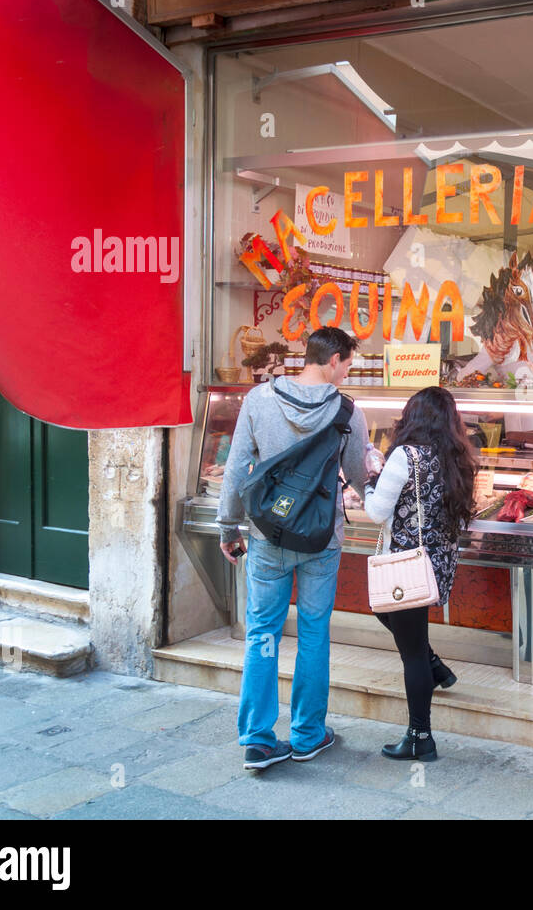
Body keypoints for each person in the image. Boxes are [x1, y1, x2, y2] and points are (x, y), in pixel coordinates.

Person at [217, 326, 378, 771]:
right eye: (348, 364)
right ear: (333, 360)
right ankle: (308, 734)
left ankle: (257, 739)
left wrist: (229, 527)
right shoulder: (347, 411)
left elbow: (235, 471)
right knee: (312, 632)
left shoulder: (259, 400)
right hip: (321, 539)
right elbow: (362, 480)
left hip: (268, 534)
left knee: (262, 633)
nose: (347, 374)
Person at [363, 385, 477, 761]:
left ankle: (420, 737)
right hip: (438, 562)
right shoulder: (455, 457)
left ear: (412, 416)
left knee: (409, 652)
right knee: (392, 618)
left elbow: (378, 512)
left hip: (407, 565)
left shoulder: (404, 457)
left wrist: (367, 482)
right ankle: (435, 666)